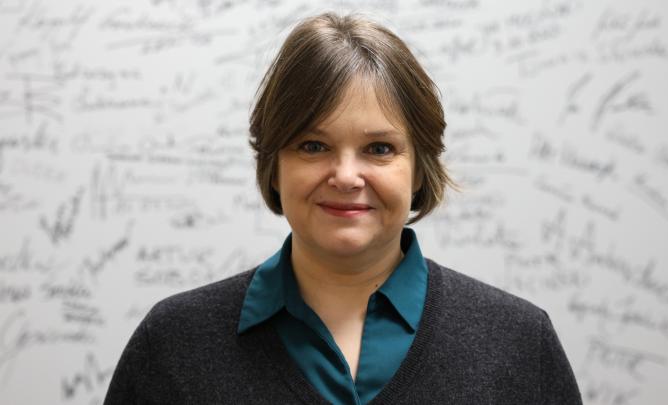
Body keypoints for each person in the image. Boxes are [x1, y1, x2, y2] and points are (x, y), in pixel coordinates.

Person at [104, 12, 582, 405]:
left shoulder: (519, 344)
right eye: (313, 146)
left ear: (419, 170)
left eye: (379, 149)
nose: (346, 176)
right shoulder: (173, 346)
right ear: (274, 166)